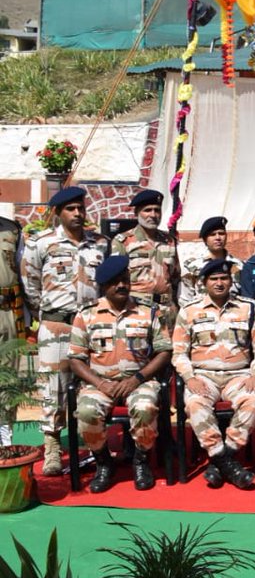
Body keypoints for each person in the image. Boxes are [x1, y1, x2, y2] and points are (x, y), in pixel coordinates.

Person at [21, 186, 108, 477]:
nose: (78, 213)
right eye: (71, 209)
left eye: (81, 208)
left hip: (91, 327)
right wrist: (45, 313)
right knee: (53, 387)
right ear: (58, 213)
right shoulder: (40, 244)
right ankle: (53, 446)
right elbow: (30, 284)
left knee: (93, 383)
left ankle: (94, 443)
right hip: (56, 325)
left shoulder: (99, 245)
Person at [68, 256, 171, 493]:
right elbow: (75, 359)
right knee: (86, 411)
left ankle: (141, 459)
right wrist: (100, 383)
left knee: (145, 408)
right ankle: (104, 462)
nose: (122, 286)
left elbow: (164, 352)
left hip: (139, 381)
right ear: (104, 286)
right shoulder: (86, 315)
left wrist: (138, 379)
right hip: (100, 383)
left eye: (125, 280)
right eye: (115, 282)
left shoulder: (149, 313)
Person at [172, 258, 255, 490]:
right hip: (203, 376)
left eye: (224, 278)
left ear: (230, 281)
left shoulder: (248, 308)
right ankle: (225, 460)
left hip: (239, 374)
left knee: (253, 400)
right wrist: (190, 377)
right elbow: (178, 352)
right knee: (195, 404)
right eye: (214, 279)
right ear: (204, 282)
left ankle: (223, 459)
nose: (219, 283)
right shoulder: (189, 311)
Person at [111, 188, 179, 330]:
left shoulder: (170, 241)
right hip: (137, 309)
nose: (153, 215)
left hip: (166, 312)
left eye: (157, 210)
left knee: (166, 350)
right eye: (147, 210)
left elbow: (175, 278)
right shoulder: (123, 242)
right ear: (136, 213)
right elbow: (115, 280)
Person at [0, 205, 28, 451]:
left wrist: (29, 317)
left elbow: (22, 273)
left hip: (7, 310)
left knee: (8, 374)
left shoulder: (12, 230)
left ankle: (5, 435)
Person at [178, 216, 242, 308]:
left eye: (221, 233)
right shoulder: (192, 267)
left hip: (231, 317)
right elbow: (184, 300)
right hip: (201, 318)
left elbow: (243, 298)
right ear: (205, 239)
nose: (218, 238)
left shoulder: (238, 266)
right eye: (213, 234)